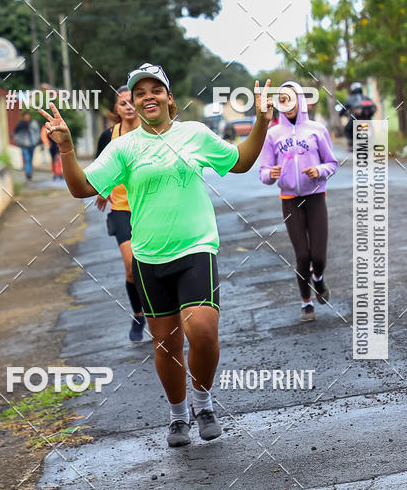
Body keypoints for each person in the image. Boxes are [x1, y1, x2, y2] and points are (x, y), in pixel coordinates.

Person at [38, 63, 273, 448]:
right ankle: (178, 415)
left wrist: (262, 121)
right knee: (165, 344)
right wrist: (65, 148)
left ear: (169, 98)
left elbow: (241, 161)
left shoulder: (194, 134)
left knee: (202, 331)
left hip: (195, 247)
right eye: (139, 93)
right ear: (133, 103)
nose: (148, 96)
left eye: (155, 90)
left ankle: (203, 403)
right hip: (149, 256)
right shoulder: (123, 148)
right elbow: (82, 188)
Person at [259, 82, 338, 322]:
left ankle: (318, 279)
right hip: (290, 201)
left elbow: (332, 164)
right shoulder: (272, 134)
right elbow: (263, 172)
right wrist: (270, 174)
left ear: (301, 100)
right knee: (302, 256)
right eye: (282, 99)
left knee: (319, 257)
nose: (287, 104)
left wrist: (319, 171)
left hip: (315, 198)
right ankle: (306, 303)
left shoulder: (317, 130)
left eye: (291, 98)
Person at [94, 86, 146, 342]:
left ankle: (161, 311)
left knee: (153, 264)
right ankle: (138, 315)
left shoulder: (150, 131)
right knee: (131, 267)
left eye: (131, 101)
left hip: (150, 206)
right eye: (122, 102)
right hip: (122, 209)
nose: (128, 106)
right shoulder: (108, 136)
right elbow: (100, 169)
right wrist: (103, 190)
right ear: (116, 108)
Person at [13, 112, 41, 180]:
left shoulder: (33, 123)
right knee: (27, 158)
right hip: (24, 145)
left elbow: (37, 132)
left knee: (30, 159)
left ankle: (29, 171)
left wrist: (36, 141)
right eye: (26, 116)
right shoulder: (20, 124)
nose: (27, 118)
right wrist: (19, 142)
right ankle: (28, 173)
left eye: (28, 116)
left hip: (32, 144)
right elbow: (15, 134)